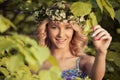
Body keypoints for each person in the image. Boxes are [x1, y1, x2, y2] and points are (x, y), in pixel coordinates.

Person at [36, 1, 112, 80]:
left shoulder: (85, 62)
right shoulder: (35, 63)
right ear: (46, 29)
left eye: (68, 27)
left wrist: (101, 52)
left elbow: (96, 78)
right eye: (54, 27)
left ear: (74, 31)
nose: (61, 34)